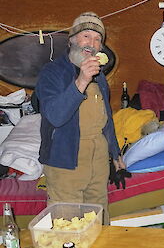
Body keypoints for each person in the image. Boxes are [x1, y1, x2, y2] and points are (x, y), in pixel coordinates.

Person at [35, 12, 125, 224]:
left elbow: (106, 117)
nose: (91, 43)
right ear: (72, 39)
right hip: (65, 157)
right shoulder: (52, 72)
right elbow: (55, 116)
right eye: (86, 36)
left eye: (97, 39)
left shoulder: (99, 75)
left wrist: (114, 151)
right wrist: (82, 79)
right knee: (66, 222)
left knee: (98, 215)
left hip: (98, 156)